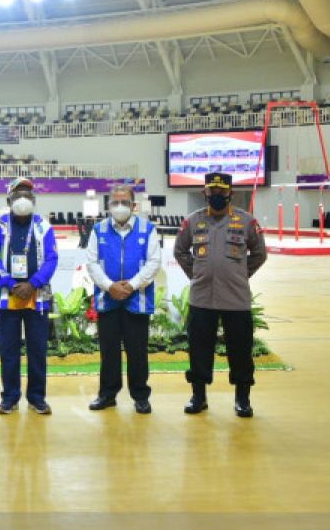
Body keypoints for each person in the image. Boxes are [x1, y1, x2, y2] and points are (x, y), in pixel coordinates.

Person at [173, 172, 268, 417]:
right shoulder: (192, 221)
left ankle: (243, 399)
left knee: (240, 351)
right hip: (202, 298)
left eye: (221, 192)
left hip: (236, 300)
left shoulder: (247, 222)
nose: (216, 196)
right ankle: (198, 396)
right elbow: (180, 250)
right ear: (205, 193)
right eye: (212, 192)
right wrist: (197, 273)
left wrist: (239, 274)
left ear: (230, 194)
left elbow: (259, 253)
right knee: (199, 349)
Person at [85, 184, 161, 415]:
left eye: (125, 202)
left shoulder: (147, 230)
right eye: (115, 202)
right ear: (108, 206)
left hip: (136, 300)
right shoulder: (98, 230)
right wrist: (110, 287)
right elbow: (92, 263)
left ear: (133, 205)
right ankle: (107, 395)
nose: (120, 207)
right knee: (109, 352)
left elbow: (153, 262)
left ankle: (140, 396)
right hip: (107, 301)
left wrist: (131, 285)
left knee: (137, 351)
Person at [0, 177, 58, 416]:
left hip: (36, 296)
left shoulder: (44, 226)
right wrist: (9, 282)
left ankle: (37, 397)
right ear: (9, 199)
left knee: (38, 349)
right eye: (18, 195)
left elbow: (51, 259)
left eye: (27, 195)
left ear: (34, 200)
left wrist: (33, 283)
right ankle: (10, 397)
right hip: (8, 295)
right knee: (9, 350)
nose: (23, 199)